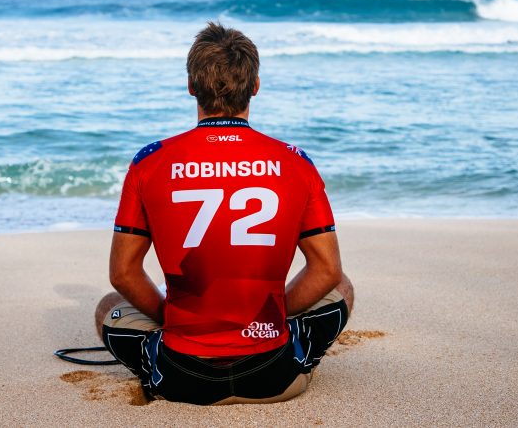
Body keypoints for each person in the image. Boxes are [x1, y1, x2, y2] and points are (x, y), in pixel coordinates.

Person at [94, 22, 354, 405]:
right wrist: (272, 315)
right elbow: (327, 271)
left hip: (183, 377)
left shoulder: (148, 162)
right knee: (343, 289)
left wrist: (172, 318)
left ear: (190, 86)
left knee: (106, 309)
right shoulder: (296, 163)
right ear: (255, 86)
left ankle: (161, 366)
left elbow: (122, 273)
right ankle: (297, 357)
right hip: (271, 375)